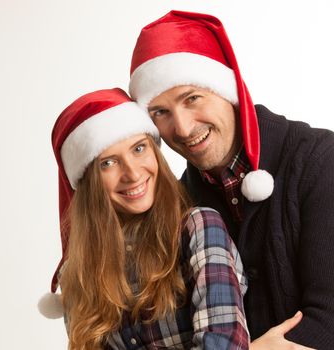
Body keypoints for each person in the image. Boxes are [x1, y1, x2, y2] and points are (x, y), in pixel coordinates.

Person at [128, 10, 334, 349]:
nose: (182, 127)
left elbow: (328, 322)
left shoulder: (320, 161)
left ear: (227, 88)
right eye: (160, 113)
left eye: (192, 98)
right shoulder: (181, 206)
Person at [38, 88, 252, 349]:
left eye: (139, 149)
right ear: (89, 183)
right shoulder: (77, 271)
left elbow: (223, 344)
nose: (132, 173)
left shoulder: (198, 229)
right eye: (108, 163)